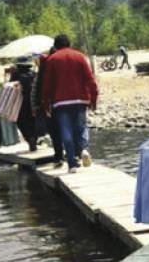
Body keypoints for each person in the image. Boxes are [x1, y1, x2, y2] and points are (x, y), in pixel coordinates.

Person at [42, 35, 99, 173]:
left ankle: (72, 164)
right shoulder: (80, 57)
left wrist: (46, 103)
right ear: (70, 43)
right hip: (80, 99)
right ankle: (84, 149)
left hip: (60, 102)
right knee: (81, 127)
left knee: (65, 131)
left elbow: (47, 84)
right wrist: (93, 99)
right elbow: (90, 80)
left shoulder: (52, 59)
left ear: (55, 46)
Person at [32, 47, 64, 166]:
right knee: (63, 129)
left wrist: (36, 105)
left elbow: (36, 89)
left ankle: (59, 156)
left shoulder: (43, 68)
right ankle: (71, 154)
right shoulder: (59, 67)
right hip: (61, 102)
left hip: (48, 105)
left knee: (54, 132)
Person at [9, 57, 37, 151]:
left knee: (21, 122)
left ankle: (29, 139)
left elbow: (10, 89)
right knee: (33, 122)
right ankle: (33, 139)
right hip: (32, 103)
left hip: (19, 103)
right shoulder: (33, 74)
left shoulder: (15, 76)